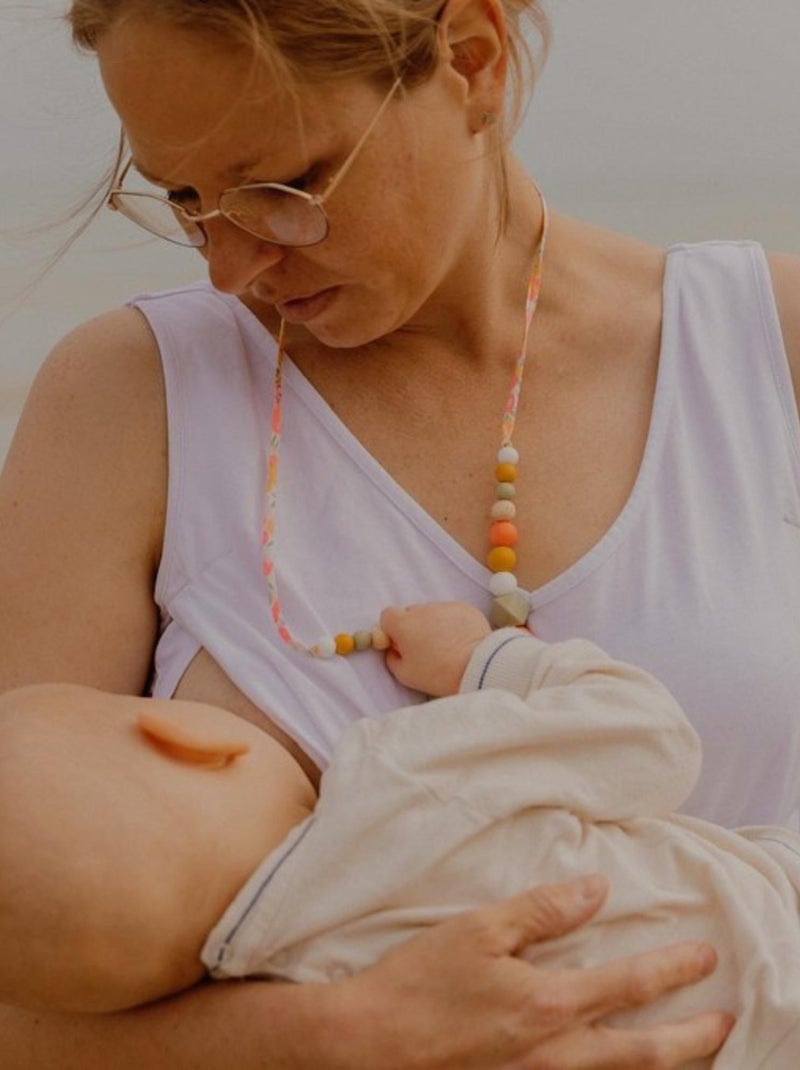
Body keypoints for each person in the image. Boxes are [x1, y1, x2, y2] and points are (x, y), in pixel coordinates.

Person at [4, 0, 799, 1063]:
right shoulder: (127, 398)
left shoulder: (768, 350)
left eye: (282, 189)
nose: (231, 269)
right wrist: (336, 1036)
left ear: (469, 60)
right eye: (185, 201)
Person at [2, 601, 799, 1069]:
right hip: (774, 922)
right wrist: (485, 660)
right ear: (190, 742)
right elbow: (654, 740)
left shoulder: (288, 993)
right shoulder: (397, 778)